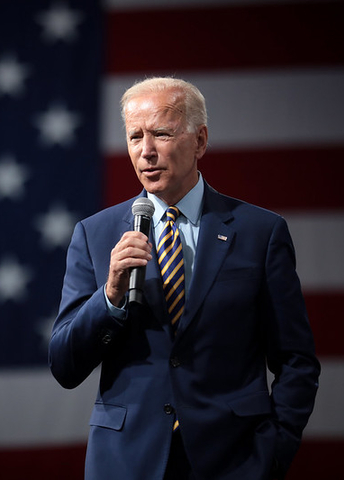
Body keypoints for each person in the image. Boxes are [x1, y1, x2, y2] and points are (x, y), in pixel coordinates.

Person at [49, 77, 320, 480]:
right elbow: (65, 365)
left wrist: (272, 453)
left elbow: (296, 361)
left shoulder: (260, 232)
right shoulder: (95, 233)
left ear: (200, 141)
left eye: (161, 133)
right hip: (126, 462)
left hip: (234, 461)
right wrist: (110, 296)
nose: (146, 152)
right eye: (135, 136)